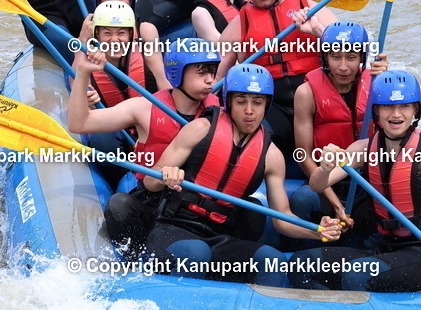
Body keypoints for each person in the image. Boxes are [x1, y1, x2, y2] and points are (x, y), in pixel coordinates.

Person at [142, 64, 342, 286]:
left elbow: (282, 220)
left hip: (219, 237)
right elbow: (150, 182)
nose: (249, 110)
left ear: (267, 105)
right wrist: (164, 175)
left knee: (272, 260)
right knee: (195, 253)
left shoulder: (272, 156)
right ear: (228, 102)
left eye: (257, 102)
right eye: (241, 102)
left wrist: (319, 231)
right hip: (173, 228)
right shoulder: (200, 128)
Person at [291, 70, 421, 292]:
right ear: (376, 111)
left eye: (404, 106)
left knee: (357, 274)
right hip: (381, 247)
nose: (396, 114)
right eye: (388, 107)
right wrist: (324, 168)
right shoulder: (362, 149)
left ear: (415, 110)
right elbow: (317, 185)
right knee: (300, 264)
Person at [68, 37, 221, 242]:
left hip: (197, 207)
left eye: (212, 72)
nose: (210, 79)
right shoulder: (144, 107)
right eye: (202, 72)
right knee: (120, 205)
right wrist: (84, 72)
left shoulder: (220, 111)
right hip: (154, 202)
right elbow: (79, 124)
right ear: (177, 72)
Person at [215, 0, 337, 159]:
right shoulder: (237, 27)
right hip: (271, 106)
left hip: (317, 99)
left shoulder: (313, 11)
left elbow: (349, 55)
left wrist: (317, 31)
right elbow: (216, 78)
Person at [290, 21, 387, 232]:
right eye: (335, 57)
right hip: (325, 177)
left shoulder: (377, 84)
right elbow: (302, 154)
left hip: (367, 177)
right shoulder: (306, 93)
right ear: (325, 57)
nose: (343, 66)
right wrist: (336, 205)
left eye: (351, 57)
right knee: (302, 200)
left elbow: (400, 128)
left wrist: (386, 82)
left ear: (363, 58)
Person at [89, 0, 169, 91]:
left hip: (145, 102)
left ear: (131, 1)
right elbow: (75, 79)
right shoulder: (89, 31)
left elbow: (162, 79)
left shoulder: (145, 30)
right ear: (99, 2)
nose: (116, 2)